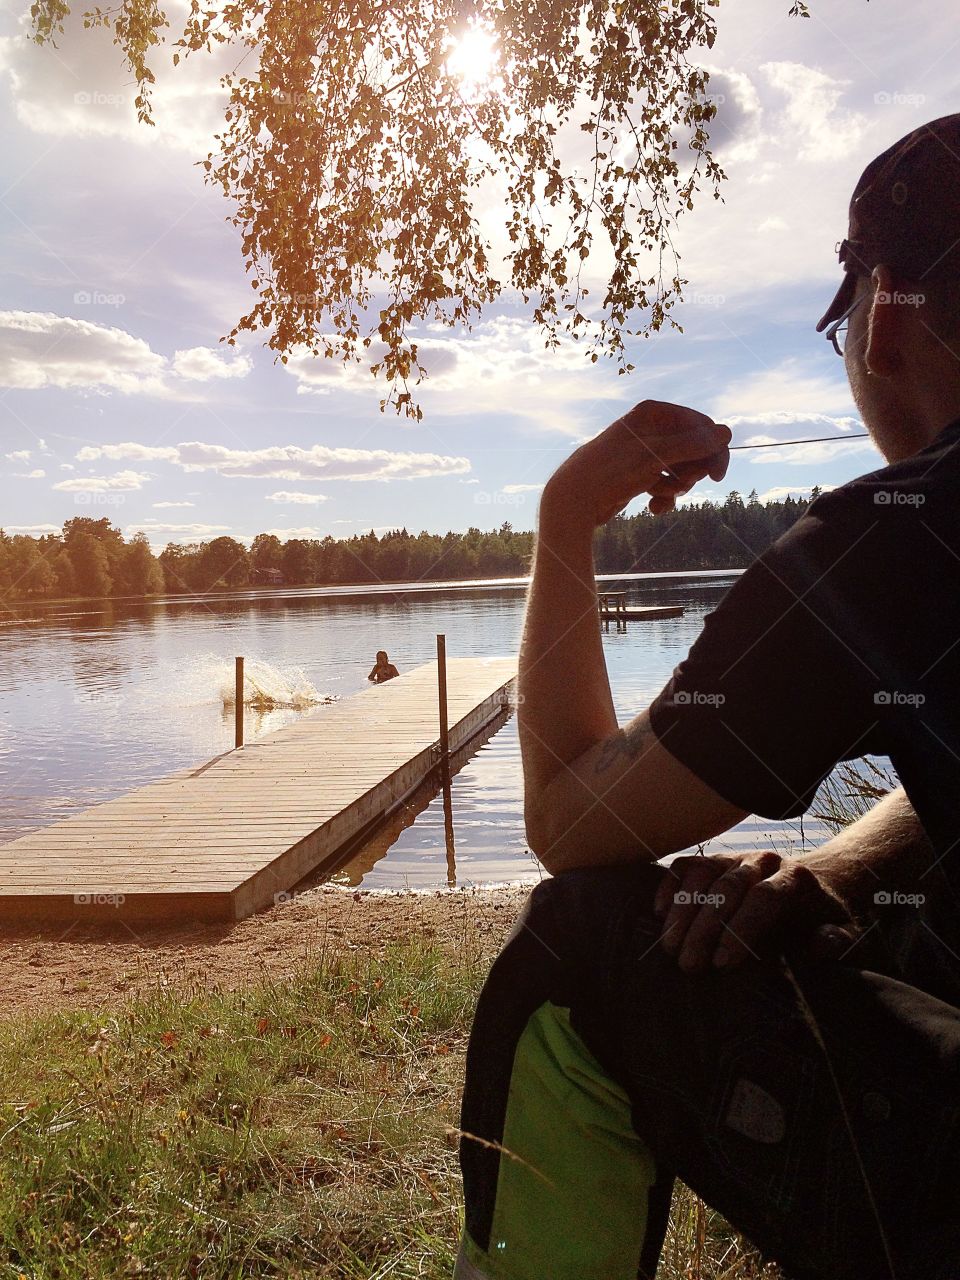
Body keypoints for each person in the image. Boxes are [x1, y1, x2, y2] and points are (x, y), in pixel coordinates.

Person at [454, 115, 960, 1280]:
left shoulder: (897, 544)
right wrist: (832, 867)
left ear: (883, 317)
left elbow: (570, 822)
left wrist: (566, 516)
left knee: (576, 947)